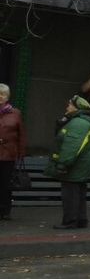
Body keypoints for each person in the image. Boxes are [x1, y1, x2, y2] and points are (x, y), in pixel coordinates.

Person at [44, 95, 90, 229]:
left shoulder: (78, 123)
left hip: (75, 165)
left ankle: (70, 221)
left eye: (69, 105)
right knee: (79, 193)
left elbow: (72, 146)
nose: (66, 107)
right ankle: (80, 220)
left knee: (70, 194)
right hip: (82, 164)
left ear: (76, 107)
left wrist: (63, 164)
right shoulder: (83, 122)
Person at [0, 83, 27, 221]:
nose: (0, 96)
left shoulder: (15, 113)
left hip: (8, 154)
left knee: (5, 185)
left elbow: (21, 134)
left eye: (2, 94)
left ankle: (5, 211)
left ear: (7, 97)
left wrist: (21, 153)